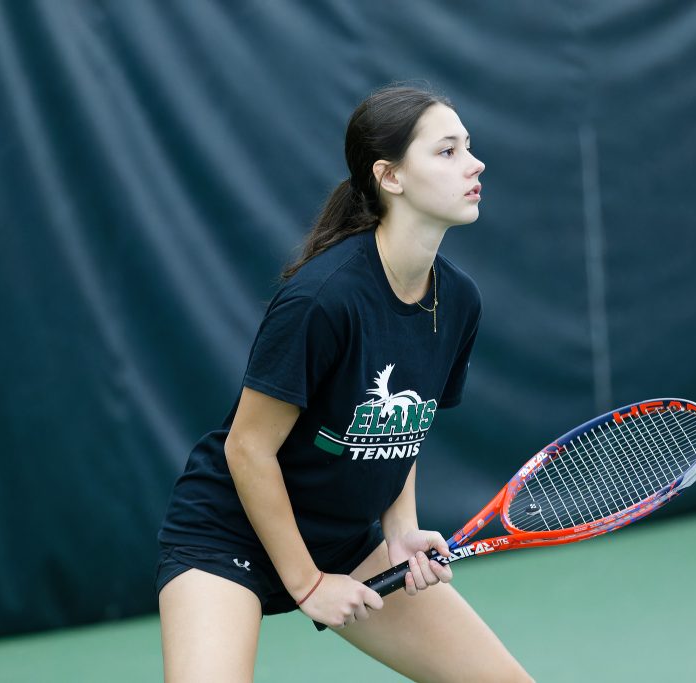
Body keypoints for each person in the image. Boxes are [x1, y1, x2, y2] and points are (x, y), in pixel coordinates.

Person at [156, 84, 533, 682]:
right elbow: (248, 449)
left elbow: (404, 429)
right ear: (391, 176)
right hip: (228, 537)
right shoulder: (322, 299)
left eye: (469, 147)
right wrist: (306, 584)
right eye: (447, 151)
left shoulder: (457, 299)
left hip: (342, 540)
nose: (475, 163)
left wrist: (401, 530)